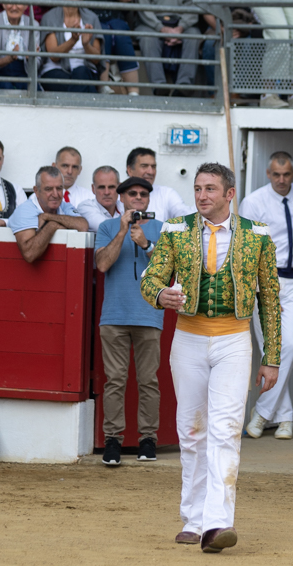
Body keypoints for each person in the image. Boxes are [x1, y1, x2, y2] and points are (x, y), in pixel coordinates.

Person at [140, 162, 281, 554]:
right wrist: (159, 295)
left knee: (225, 429)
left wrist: (272, 357)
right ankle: (193, 517)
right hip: (187, 339)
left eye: (210, 189)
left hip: (234, 342)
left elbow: (269, 298)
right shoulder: (175, 230)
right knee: (191, 429)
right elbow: (151, 278)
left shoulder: (257, 236)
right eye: (198, 189)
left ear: (229, 194)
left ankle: (217, 523)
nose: (202, 195)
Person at [240, 151, 293, 441]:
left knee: (288, 344)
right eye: (276, 175)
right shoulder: (254, 201)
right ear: (268, 174)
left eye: (286, 174)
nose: (281, 180)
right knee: (272, 350)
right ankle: (285, 416)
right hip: (266, 282)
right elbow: (245, 244)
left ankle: (262, 413)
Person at [94, 174, 164, 465]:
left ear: (148, 199)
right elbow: (102, 265)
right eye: (132, 194)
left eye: (143, 195)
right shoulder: (107, 227)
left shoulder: (162, 228)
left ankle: (148, 440)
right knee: (115, 380)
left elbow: (168, 269)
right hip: (114, 315)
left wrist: (146, 243)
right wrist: (123, 232)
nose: (138, 198)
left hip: (148, 314)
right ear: (121, 198)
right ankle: (113, 441)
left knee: (148, 381)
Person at [7, 165, 88, 262]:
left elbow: (83, 226)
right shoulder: (25, 210)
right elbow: (29, 254)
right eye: (48, 189)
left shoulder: (64, 205)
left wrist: (48, 217)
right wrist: (52, 226)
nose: (55, 194)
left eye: (59, 188)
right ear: (36, 191)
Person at [39, 0, 103, 91]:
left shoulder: (91, 18)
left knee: (81, 72)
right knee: (83, 87)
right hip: (55, 71)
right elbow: (53, 56)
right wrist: (73, 40)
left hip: (84, 71)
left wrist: (86, 44)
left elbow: (96, 59)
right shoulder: (50, 17)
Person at [0, 0, 38, 90]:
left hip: (24, 71)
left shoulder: (34, 24)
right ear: (3, 4)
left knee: (34, 89)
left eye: (19, 2)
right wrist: (8, 59)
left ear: (25, 5)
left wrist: (31, 59)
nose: (14, 7)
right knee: (6, 88)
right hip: (0, 71)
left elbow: (38, 63)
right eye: (10, 2)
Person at [125, 146, 192, 221]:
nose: (151, 172)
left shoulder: (167, 194)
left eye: (153, 167)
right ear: (130, 170)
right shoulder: (117, 195)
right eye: (144, 166)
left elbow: (186, 217)